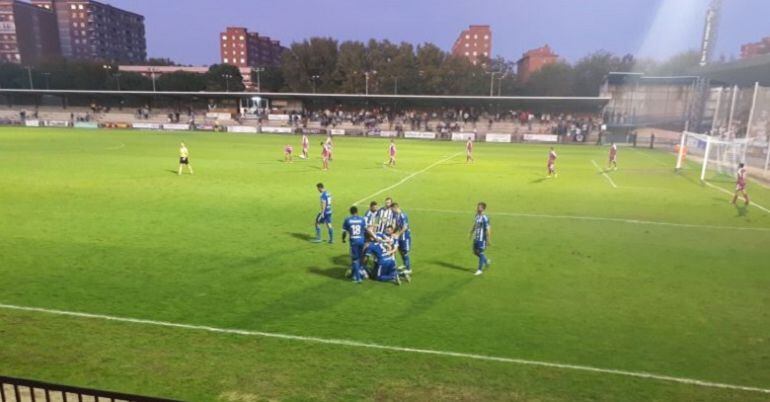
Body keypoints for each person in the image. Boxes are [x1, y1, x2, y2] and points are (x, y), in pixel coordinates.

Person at [342, 206, 367, 283]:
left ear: (350, 212)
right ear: (357, 211)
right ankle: (359, 273)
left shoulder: (347, 219)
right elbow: (364, 230)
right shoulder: (362, 219)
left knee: (355, 259)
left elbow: (344, 232)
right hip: (361, 240)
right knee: (360, 258)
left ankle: (358, 278)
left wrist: (343, 239)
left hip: (354, 241)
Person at [470, 202, 491, 276]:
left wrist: (488, 240)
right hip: (476, 237)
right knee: (475, 252)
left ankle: (479, 270)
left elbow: (488, 229)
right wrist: (472, 231)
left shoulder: (485, 218)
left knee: (481, 252)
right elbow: (475, 224)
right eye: (477, 206)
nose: (477, 208)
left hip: (482, 239)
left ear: (482, 208)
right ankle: (486, 261)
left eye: (478, 207)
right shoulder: (477, 215)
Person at [392, 203, 412, 274]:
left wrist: (397, 234)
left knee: (405, 252)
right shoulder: (396, 215)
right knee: (400, 251)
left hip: (405, 237)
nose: (392, 211)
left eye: (392, 209)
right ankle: (404, 264)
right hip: (400, 237)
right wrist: (392, 233)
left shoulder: (403, 215)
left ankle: (409, 269)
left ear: (395, 208)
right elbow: (397, 226)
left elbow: (405, 227)